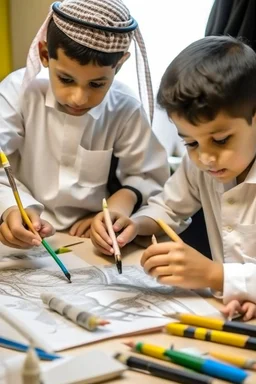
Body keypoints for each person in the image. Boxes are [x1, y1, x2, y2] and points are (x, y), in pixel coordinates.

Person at [92, 35, 256, 320]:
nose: (204, 158)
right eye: (190, 143)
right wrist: (133, 225)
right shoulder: (202, 166)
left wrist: (213, 274)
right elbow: (168, 208)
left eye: (220, 140)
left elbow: (222, 276)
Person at [0, 0, 169, 249]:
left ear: (119, 65)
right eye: (66, 79)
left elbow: (150, 178)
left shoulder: (125, 107)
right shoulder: (19, 91)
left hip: (89, 241)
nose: (79, 98)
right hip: (24, 235)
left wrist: (116, 208)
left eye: (97, 84)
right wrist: (12, 208)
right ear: (45, 55)